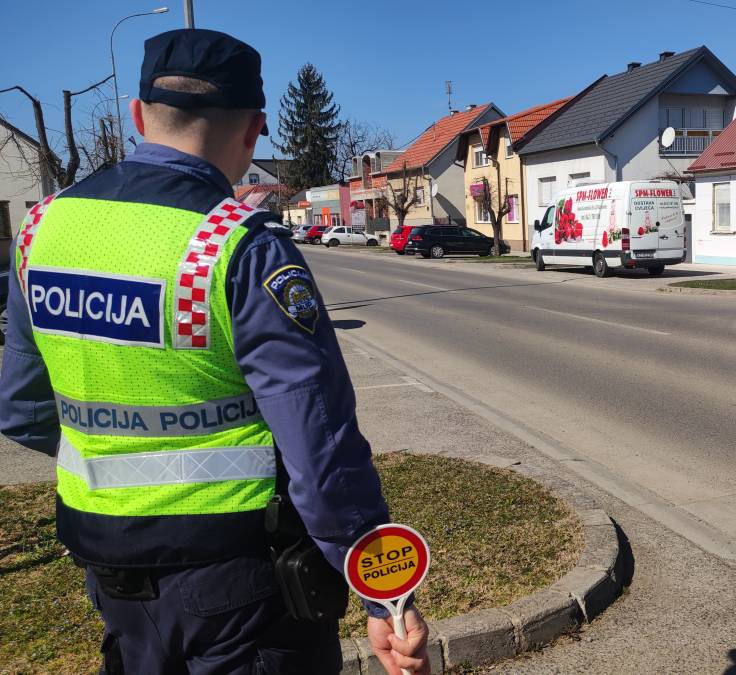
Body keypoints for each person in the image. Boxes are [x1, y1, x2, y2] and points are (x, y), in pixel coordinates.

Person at [0, 28, 428, 675]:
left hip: (111, 579)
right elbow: (320, 446)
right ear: (255, 130)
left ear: (137, 114)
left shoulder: (41, 229)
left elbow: (22, 409)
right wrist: (382, 592)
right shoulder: (237, 247)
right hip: (241, 592)